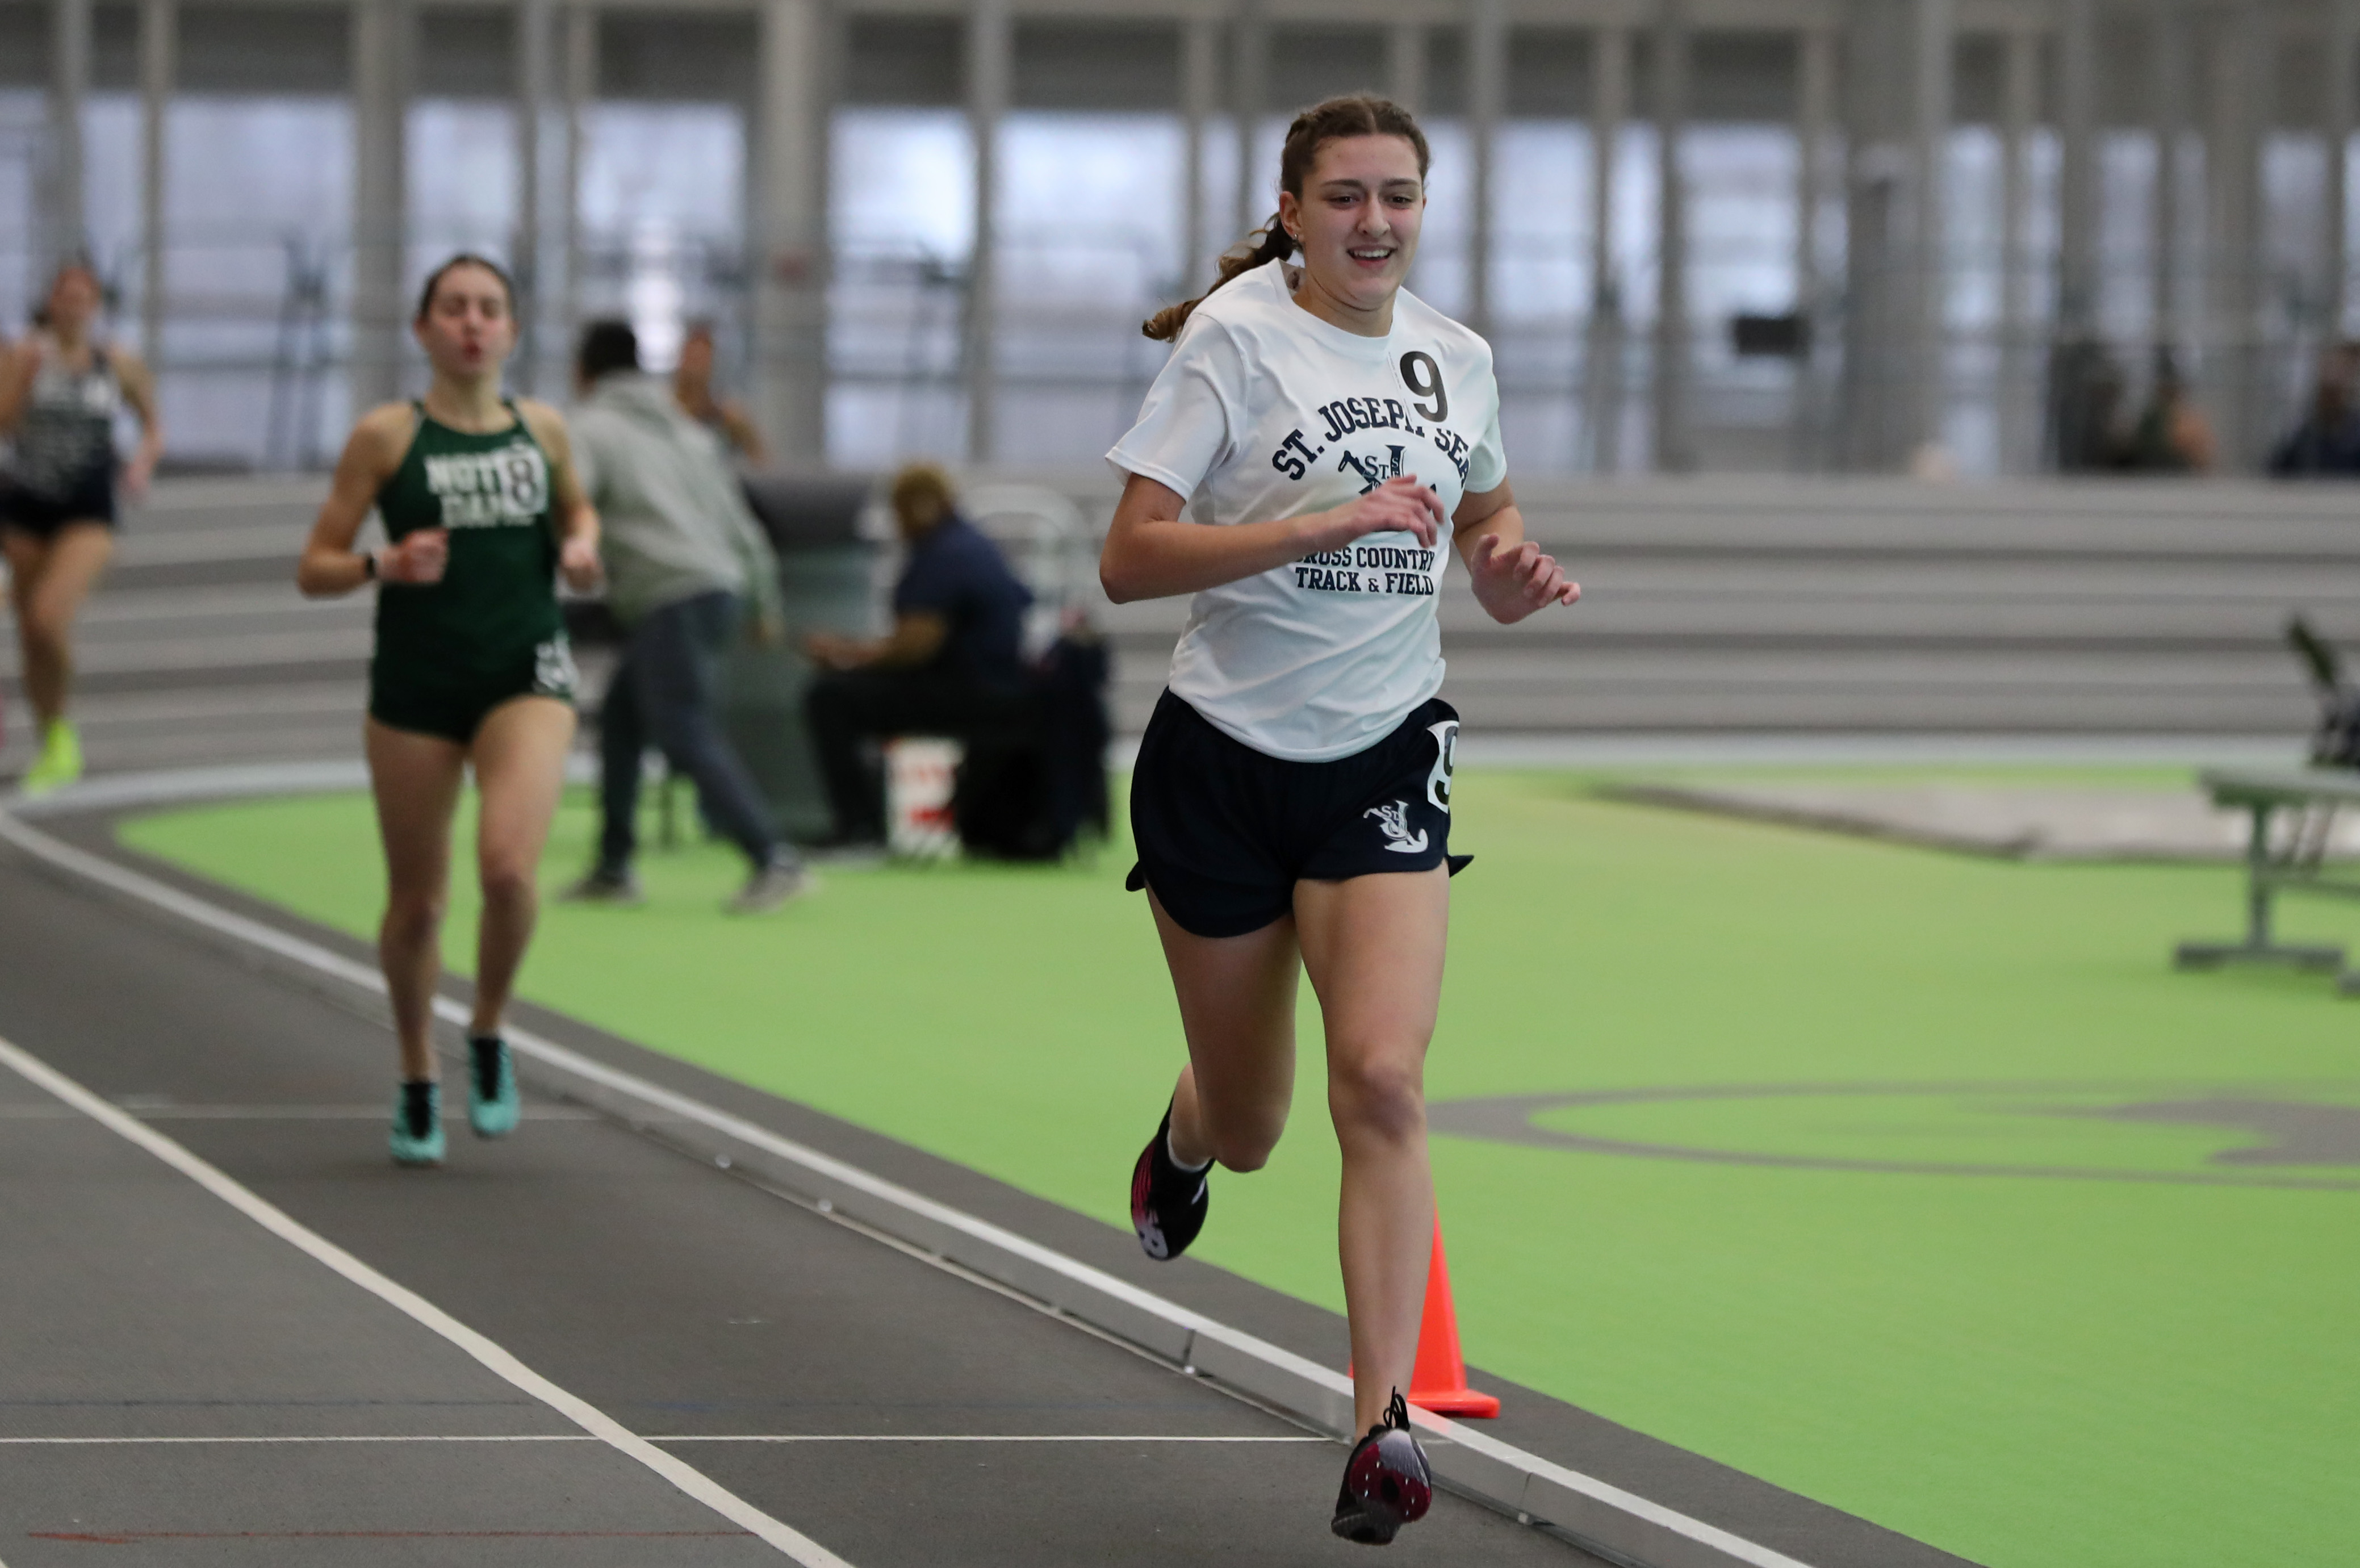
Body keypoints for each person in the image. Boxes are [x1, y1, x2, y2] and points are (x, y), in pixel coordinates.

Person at [1099, 95, 1578, 1545]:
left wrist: (1501, 575)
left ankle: (1379, 1425)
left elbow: (1485, 522)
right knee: (1253, 1122)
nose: (1375, 221)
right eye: (1347, 197)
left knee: (1377, 1079)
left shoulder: (1460, 358)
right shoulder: (1234, 340)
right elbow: (1127, 558)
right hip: (1222, 762)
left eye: (1399, 196)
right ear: (1295, 210)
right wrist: (1304, 527)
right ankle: (1183, 1134)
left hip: (1383, 752)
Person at [296, 254, 601, 1169]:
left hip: (525, 672)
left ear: (512, 331)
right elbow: (314, 563)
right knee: (418, 906)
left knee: (508, 870)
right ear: (424, 329)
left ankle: (491, 1029)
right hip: (418, 688)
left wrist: (582, 550)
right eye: (455, 308)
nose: (473, 323)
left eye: (490, 309)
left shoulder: (542, 430)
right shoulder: (388, 437)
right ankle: (417, 1072)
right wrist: (380, 566)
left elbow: (579, 518)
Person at [560, 319, 810, 912]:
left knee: (683, 730)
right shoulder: (686, 431)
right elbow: (741, 522)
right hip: (716, 587)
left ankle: (772, 856)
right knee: (623, 720)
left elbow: (575, 507)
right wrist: (764, 599)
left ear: (583, 371)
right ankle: (614, 865)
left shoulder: (589, 429)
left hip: (669, 592)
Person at [801, 463, 1033, 847]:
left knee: (829, 698)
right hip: (1000, 687)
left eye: (899, 509)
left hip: (968, 693)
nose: (897, 522)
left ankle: (859, 826)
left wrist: (846, 657)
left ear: (922, 504)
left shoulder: (944, 554)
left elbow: (914, 647)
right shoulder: (972, 544)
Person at [0, 261, 164, 793]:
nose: (72, 307)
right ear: (50, 302)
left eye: (83, 298)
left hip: (88, 509)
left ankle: (63, 733)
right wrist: (21, 379)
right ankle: (52, 738)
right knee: (29, 633)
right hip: (26, 506)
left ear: (95, 306)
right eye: (64, 297)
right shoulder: (23, 355)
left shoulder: (117, 362)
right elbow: (2, 425)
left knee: (49, 620)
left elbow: (153, 426)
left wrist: (140, 464)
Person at [673, 320, 769, 465]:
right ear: (681, 361)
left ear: (712, 366)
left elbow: (762, 462)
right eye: (691, 359)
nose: (695, 369)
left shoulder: (726, 415)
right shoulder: (666, 408)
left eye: (701, 361)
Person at [2271, 342, 2360, 475]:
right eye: (2327, 392)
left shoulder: (2355, 436)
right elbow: (2276, 472)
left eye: (2335, 392)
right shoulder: (2307, 438)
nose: (2331, 399)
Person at [2121, 348, 2216, 473]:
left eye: (2171, 388)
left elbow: (2202, 458)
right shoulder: (2150, 417)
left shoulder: (2190, 420)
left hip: (2181, 477)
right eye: (2163, 388)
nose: (2167, 392)